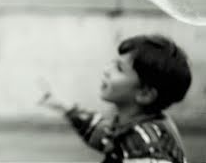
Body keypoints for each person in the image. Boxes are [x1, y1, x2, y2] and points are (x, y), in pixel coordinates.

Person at [39, 34, 192, 163]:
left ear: (144, 94)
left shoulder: (147, 148)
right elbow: (101, 132)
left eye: (119, 69)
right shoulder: (131, 123)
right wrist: (63, 106)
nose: (107, 70)